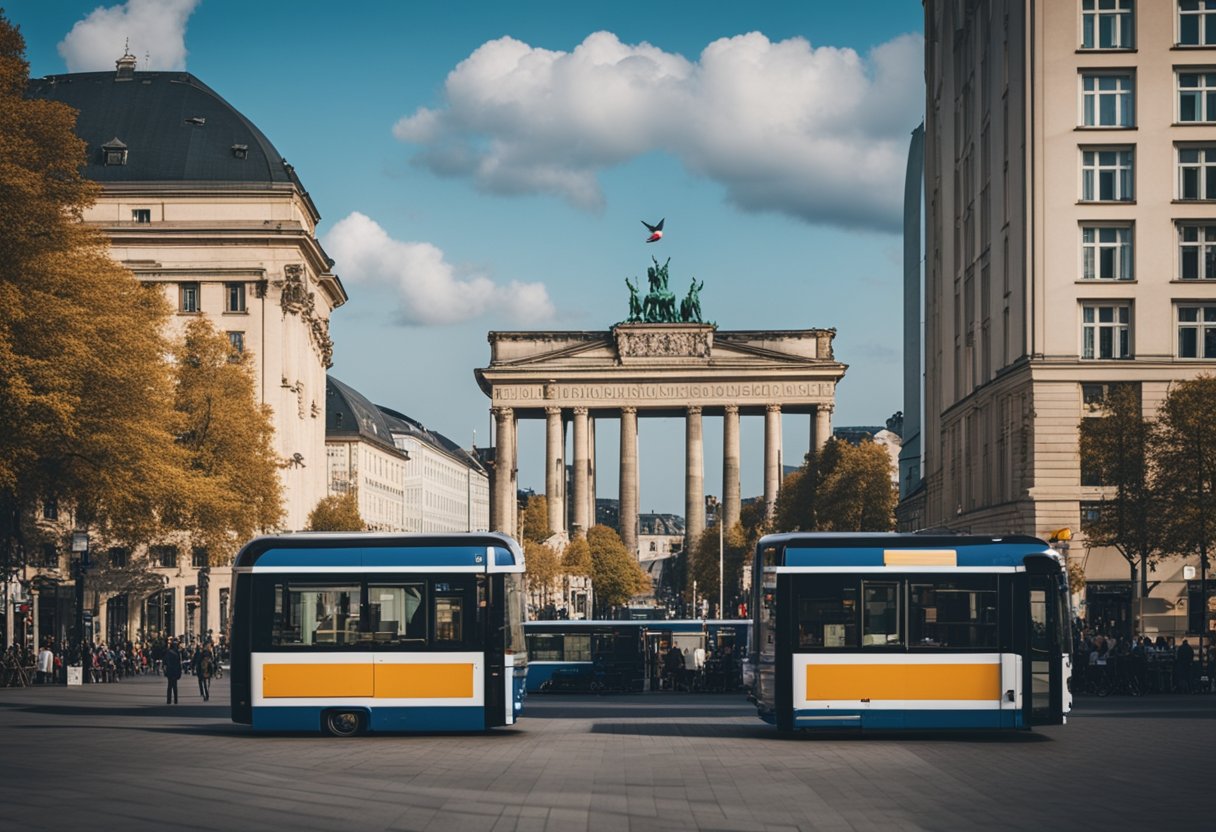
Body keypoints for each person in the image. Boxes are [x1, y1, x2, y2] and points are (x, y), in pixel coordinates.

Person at [163, 638, 182, 704]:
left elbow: (164, 662)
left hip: (169, 670)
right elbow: (179, 663)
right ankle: (176, 700)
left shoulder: (168, 652)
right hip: (175, 670)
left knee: (169, 686)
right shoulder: (177, 653)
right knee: (175, 686)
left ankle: (169, 700)